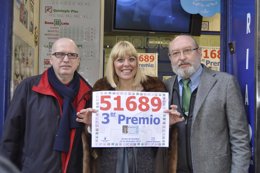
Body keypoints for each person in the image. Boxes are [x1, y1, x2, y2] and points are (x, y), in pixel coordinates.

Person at [76, 41, 183, 173]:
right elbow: (91, 139)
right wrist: (91, 124)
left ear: (137, 63)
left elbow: (161, 135)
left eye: (131, 59)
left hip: (146, 160)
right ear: (113, 64)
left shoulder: (155, 89)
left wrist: (168, 124)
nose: (126, 64)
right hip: (110, 160)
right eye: (120, 60)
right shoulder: (101, 89)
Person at [0, 38, 92, 173]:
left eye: (72, 55)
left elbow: (95, 145)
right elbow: (11, 137)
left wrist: (91, 125)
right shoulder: (29, 88)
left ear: (78, 61)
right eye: (59, 54)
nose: (66, 59)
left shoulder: (87, 94)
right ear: (51, 59)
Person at [164, 34, 251, 173]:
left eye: (187, 50)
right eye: (175, 53)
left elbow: (239, 139)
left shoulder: (225, 83)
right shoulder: (165, 87)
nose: (182, 57)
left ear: (199, 52)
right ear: (170, 58)